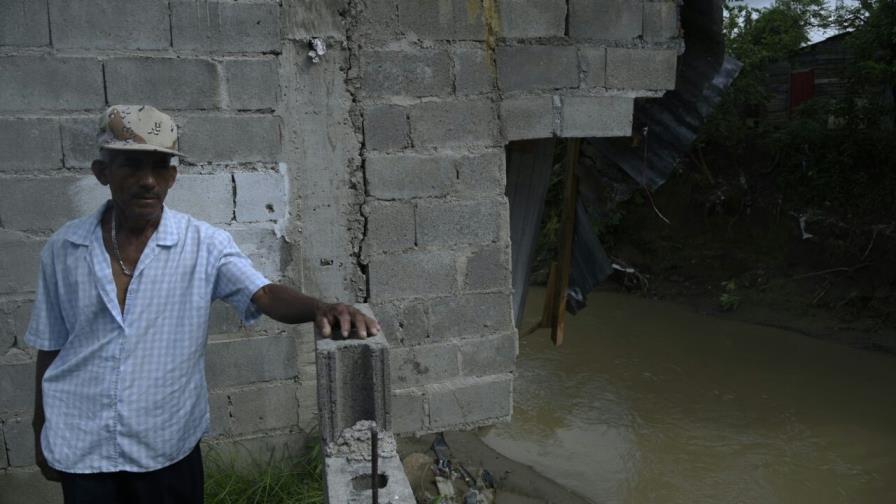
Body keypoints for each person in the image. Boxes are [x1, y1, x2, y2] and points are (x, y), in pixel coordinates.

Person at [25, 105, 380, 504]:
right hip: (83, 444)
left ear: (173, 177)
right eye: (131, 165)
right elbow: (51, 344)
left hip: (165, 445)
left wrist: (320, 307)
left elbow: (262, 294)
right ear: (102, 172)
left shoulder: (204, 244)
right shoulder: (64, 248)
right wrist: (41, 427)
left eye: (160, 167)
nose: (147, 181)